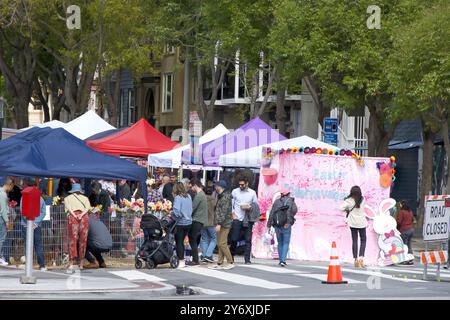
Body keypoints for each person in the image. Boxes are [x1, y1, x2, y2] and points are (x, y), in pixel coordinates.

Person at [19, 179, 47, 271]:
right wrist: (36, 222)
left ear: (27, 185)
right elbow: (43, 212)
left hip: (25, 225)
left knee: (27, 245)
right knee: (38, 245)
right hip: (36, 226)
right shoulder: (40, 198)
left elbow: (22, 210)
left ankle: (28, 265)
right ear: (36, 186)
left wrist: (28, 221)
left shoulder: (24, 196)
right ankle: (42, 265)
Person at [230, 176, 258, 264]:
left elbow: (256, 205)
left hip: (248, 218)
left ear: (247, 184)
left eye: (242, 185)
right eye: (239, 185)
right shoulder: (235, 191)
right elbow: (231, 204)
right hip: (237, 218)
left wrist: (250, 207)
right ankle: (231, 257)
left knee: (248, 239)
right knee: (234, 239)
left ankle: (247, 259)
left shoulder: (252, 193)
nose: (241, 186)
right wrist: (232, 213)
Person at [267, 188, 297, 267]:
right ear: (288, 194)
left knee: (280, 242)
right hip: (286, 224)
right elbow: (294, 210)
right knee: (286, 242)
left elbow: (272, 213)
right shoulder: (291, 201)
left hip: (277, 224)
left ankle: (281, 260)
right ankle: (283, 261)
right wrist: (289, 220)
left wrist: (269, 225)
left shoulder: (276, 202)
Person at [64, 183, 91, 271]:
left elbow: (68, 208)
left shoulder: (67, 198)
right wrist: (82, 214)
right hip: (84, 218)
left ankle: (72, 262)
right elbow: (87, 208)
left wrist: (75, 216)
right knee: (83, 240)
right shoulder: (85, 198)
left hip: (73, 218)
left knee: (72, 239)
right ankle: (81, 264)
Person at [340, 186, 367, 268]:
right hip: (362, 223)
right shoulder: (363, 199)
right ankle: (361, 258)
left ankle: (355, 260)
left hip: (353, 223)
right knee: (363, 240)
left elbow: (341, 208)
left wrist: (347, 210)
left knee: (354, 241)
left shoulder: (349, 201)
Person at [213, 180, 234, 269]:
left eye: (216, 185)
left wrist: (219, 223)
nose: (215, 187)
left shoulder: (225, 197)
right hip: (222, 222)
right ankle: (220, 262)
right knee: (220, 242)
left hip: (225, 223)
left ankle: (230, 261)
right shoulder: (221, 196)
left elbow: (223, 212)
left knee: (222, 243)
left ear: (220, 187)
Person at [171, 182, 193, 268]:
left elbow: (176, 210)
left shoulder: (177, 198)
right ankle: (184, 259)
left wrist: (173, 214)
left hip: (181, 222)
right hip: (189, 222)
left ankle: (181, 261)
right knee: (183, 241)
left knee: (179, 242)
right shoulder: (189, 196)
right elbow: (191, 208)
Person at [186, 179, 207, 266]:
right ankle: (194, 258)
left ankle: (195, 260)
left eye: (192, 187)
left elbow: (192, 208)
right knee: (194, 239)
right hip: (200, 220)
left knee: (192, 239)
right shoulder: (202, 195)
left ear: (195, 185)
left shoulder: (199, 196)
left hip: (196, 220)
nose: (191, 189)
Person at [200, 187, 216, 263]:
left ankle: (204, 255)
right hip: (211, 222)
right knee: (214, 239)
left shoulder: (202, 199)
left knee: (205, 239)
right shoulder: (214, 200)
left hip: (202, 221)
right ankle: (208, 255)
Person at [396, 200, 415, 265]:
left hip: (404, 230)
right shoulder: (410, 211)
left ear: (403, 204)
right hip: (411, 230)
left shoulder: (402, 212)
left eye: (400, 204)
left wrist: (396, 227)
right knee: (409, 245)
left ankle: (404, 259)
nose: (400, 205)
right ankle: (410, 259)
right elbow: (412, 219)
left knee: (404, 245)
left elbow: (399, 222)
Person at [0, 178, 14, 266]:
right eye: (12, 186)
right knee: (1, 238)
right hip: (1, 218)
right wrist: (7, 221)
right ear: (10, 184)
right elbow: (3, 209)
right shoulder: (3, 194)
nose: (12, 189)